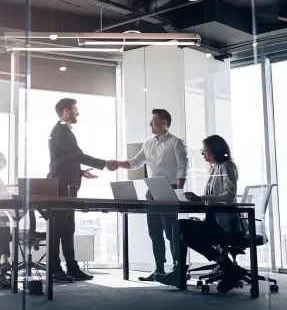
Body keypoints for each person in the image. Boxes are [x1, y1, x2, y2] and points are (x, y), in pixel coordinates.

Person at [154, 135, 247, 293]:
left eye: (205, 150)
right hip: (212, 221)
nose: (203, 154)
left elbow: (229, 197)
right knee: (178, 224)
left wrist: (201, 198)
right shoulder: (214, 168)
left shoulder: (226, 166)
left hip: (225, 225)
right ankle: (179, 272)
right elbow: (212, 198)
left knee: (188, 236)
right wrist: (194, 200)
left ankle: (228, 267)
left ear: (214, 150)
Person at [111, 109, 188, 281]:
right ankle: (159, 269)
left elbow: (183, 166)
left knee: (171, 232)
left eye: (153, 120)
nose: (150, 124)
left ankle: (178, 269)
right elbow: (135, 163)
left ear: (164, 123)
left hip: (169, 189)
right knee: (154, 232)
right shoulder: (148, 144)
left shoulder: (176, 142)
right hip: (152, 189)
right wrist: (117, 164)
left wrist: (179, 190)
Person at [47, 98, 111, 282]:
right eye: (75, 110)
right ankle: (55, 269)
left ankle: (71, 267)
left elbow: (66, 160)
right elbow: (77, 155)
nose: (77, 113)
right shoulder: (62, 131)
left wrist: (81, 172)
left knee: (68, 229)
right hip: (60, 187)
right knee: (59, 229)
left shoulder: (61, 130)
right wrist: (104, 164)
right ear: (66, 111)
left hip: (66, 185)